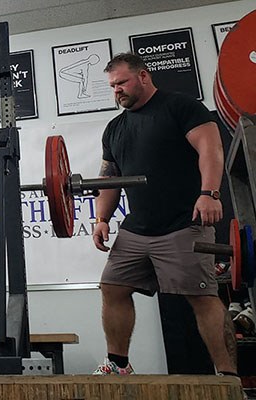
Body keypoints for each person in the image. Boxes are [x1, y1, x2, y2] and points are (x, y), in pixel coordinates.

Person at [91, 52, 236, 376]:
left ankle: (229, 377)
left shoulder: (181, 107)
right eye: (112, 86)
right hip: (137, 228)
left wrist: (209, 193)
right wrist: (102, 219)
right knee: (112, 287)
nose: (117, 91)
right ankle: (118, 364)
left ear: (143, 76)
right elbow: (109, 179)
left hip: (184, 222)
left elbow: (211, 149)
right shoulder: (114, 129)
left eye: (122, 82)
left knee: (202, 297)